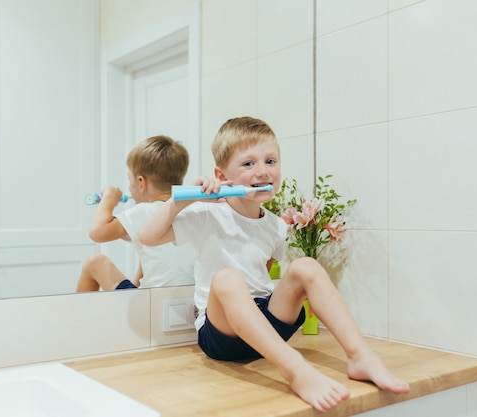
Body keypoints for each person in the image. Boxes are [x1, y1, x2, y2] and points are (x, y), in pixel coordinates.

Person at [138, 117, 410, 413]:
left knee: (305, 266)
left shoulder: (276, 226)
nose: (263, 171)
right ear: (221, 174)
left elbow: (265, 271)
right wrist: (182, 201)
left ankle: (360, 355)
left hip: (265, 324)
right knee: (228, 278)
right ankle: (296, 370)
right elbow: (147, 237)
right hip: (221, 336)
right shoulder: (206, 213)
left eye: (270, 161)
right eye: (248, 164)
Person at [76, 135, 194, 292]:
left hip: (154, 304)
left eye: (129, 179)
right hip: (192, 302)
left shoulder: (145, 211)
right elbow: (150, 262)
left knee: (95, 262)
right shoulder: (194, 211)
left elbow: (97, 232)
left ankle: (74, 316)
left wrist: (108, 199)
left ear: (141, 183)